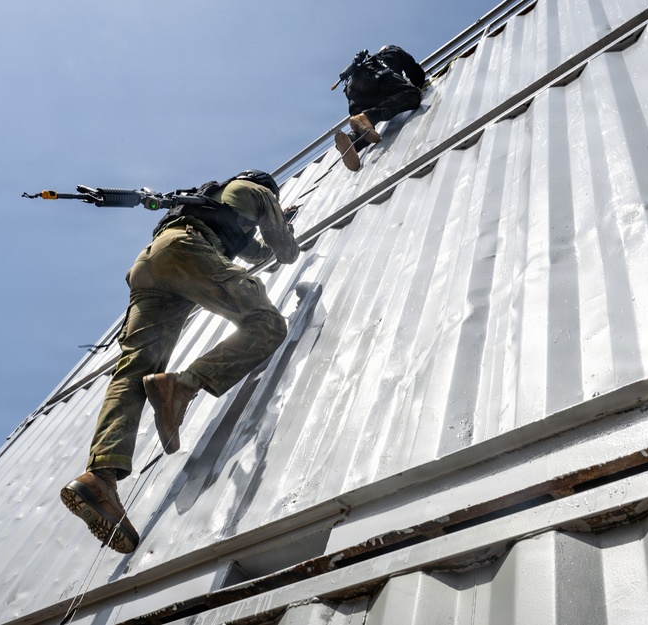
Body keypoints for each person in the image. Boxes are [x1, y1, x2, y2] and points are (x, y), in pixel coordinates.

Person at [60, 170, 300, 553]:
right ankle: (184, 386)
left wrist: (265, 241)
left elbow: (256, 251)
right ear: (266, 186)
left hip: (150, 265)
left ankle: (100, 476)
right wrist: (283, 221)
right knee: (267, 324)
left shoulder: (212, 200)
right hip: (188, 251)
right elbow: (284, 251)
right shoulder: (255, 191)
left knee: (135, 368)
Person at [332, 45, 426, 171]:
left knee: (364, 130)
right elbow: (417, 76)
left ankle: (351, 141)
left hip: (353, 90)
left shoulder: (360, 66)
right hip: (376, 76)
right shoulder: (393, 51)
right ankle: (368, 117)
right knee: (413, 95)